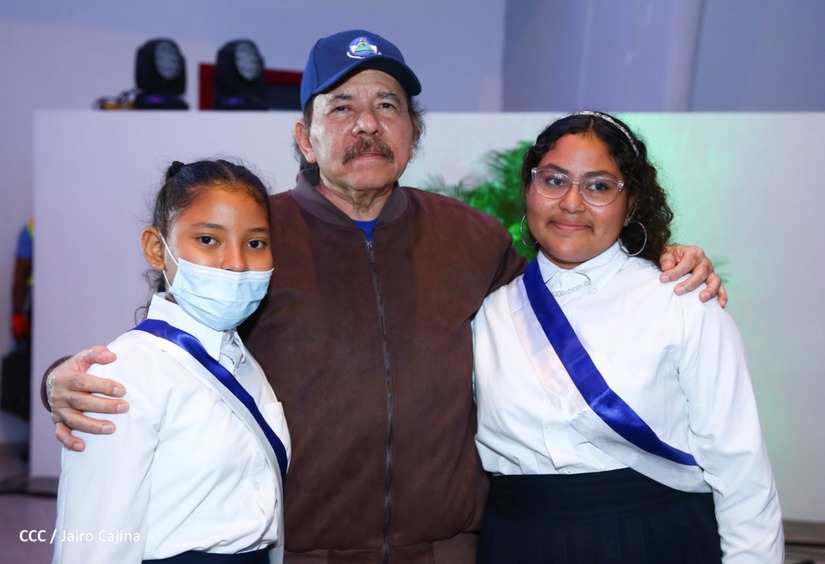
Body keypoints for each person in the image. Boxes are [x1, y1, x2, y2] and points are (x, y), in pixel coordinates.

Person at [43, 31, 724, 563]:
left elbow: (569, 304)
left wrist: (656, 259)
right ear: (305, 138)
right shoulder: (257, 237)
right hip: (303, 552)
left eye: (387, 106)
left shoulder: (471, 237)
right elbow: (176, 344)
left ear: (412, 133)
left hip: (450, 550)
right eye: (341, 107)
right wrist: (58, 380)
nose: (366, 124)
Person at [472, 111, 783, 562]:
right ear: (529, 188)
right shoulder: (489, 311)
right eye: (554, 180)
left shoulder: (681, 300)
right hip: (518, 541)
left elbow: (740, 469)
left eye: (598, 186)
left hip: (657, 538)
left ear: (631, 202)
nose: (571, 203)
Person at [52, 160, 290, 564]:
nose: (236, 262)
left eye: (255, 243)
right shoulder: (125, 372)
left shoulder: (242, 360)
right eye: (208, 239)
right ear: (156, 249)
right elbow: (94, 543)